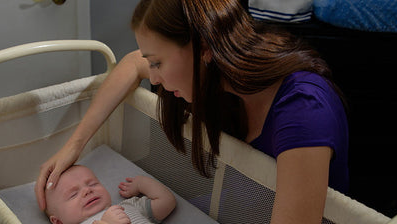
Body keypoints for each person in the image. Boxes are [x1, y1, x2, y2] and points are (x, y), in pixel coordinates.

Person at [36, 0, 349, 223]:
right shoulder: (219, 75)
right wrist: (73, 147)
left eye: (157, 63)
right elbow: (132, 64)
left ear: (204, 49)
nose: (153, 78)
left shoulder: (303, 110)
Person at [44, 165, 176, 224]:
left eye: (92, 184)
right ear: (58, 222)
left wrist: (142, 183)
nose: (87, 191)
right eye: (73, 194)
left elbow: (166, 202)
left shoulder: (128, 206)